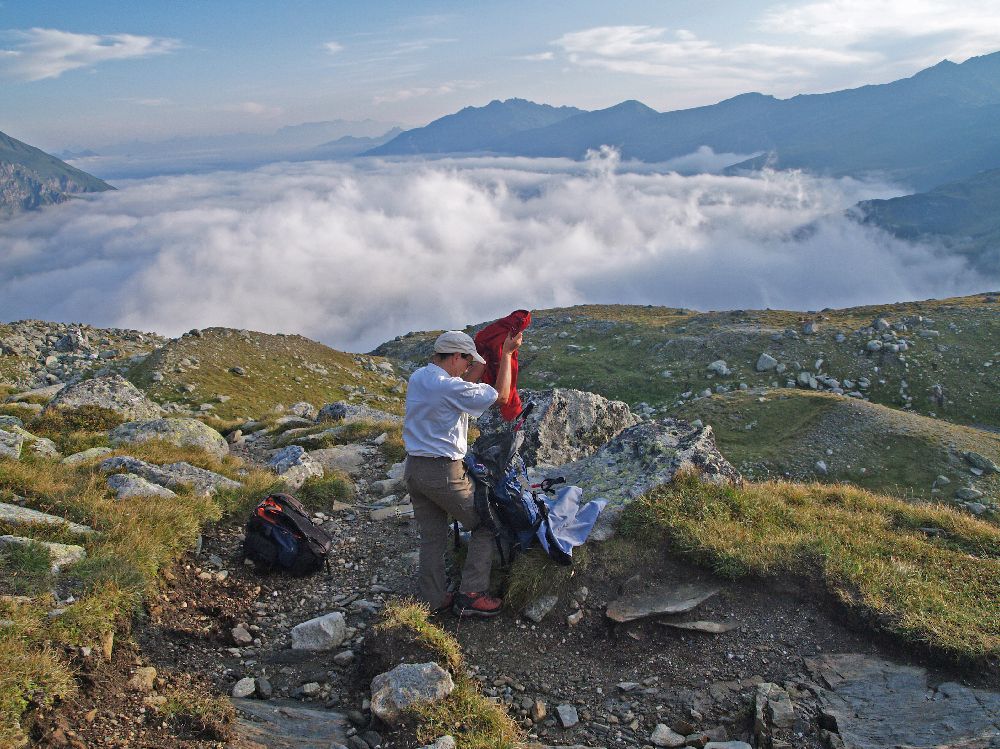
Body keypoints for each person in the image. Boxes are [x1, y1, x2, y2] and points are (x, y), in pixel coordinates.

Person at [403, 329, 522, 618]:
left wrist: (479, 358)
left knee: (432, 537)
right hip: (443, 473)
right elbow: (501, 397)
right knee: (485, 524)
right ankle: (471, 594)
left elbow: (462, 388)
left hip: (415, 469)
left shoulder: (421, 377)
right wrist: (505, 354)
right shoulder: (449, 387)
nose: (469, 368)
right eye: (466, 361)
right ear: (455, 356)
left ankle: (432, 599)